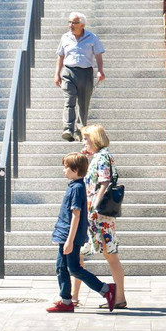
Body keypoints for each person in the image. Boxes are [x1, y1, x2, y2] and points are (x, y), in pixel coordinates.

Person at [46, 152, 117, 313]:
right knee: (61, 267)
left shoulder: (77, 188)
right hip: (65, 234)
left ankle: (106, 290)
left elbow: (76, 215)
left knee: (74, 268)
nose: (63, 170)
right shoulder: (74, 186)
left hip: (70, 236)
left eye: (66, 167)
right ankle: (66, 300)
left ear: (75, 169)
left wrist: (70, 240)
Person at [70, 125, 126, 309]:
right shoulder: (100, 157)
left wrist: (94, 207)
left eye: (85, 138)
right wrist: (86, 157)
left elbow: (104, 183)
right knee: (102, 254)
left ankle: (117, 298)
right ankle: (116, 298)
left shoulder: (102, 157)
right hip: (96, 215)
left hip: (97, 215)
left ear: (94, 139)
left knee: (108, 255)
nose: (83, 141)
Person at [55, 12, 106, 142]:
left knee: (83, 103)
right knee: (69, 101)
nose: (71, 25)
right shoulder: (65, 37)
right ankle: (68, 129)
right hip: (68, 72)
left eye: (74, 23)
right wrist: (57, 74)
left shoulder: (92, 37)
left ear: (82, 25)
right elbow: (60, 56)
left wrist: (100, 71)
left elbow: (98, 55)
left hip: (85, 73)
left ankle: (81, 130)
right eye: (70, 22)